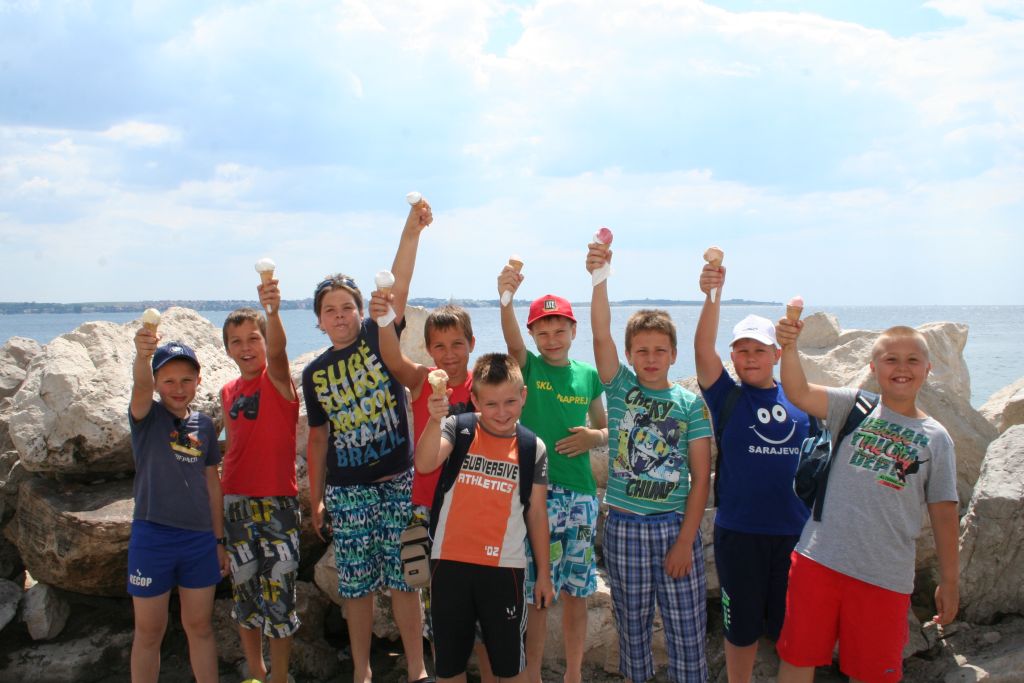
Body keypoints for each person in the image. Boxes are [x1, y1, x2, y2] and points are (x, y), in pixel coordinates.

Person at [774, 321, 960, 683]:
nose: (902, 368)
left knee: (873, 674)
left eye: (912, 360)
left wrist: (950, 581)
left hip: (884, 577)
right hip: (818, 561)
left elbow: (944, 513)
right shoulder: (853, 406)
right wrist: (791, 346)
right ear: (874, 367)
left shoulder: (937, 439)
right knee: (798, 658)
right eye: (891, 359)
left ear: (928, 368)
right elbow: (798, 392)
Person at [302, 198, 433, 683]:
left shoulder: (379, 338)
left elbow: (398, 286)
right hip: (348, 491)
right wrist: (317, 499)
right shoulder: (314, 374)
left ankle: (417, 670)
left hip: (398, 482)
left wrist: (411, 230)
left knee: (406, 580)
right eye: (329, 311)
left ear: (361, 311)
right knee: (356, 589)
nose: (339, 316)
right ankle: (361, 672)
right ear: (319, 321)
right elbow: (318, 440)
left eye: (347, 308)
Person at [586, 241, 712, 683]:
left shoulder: (690, 405)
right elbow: (600, 334)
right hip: (623, 527)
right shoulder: (620, 387)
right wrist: (600, 278)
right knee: (632, 631)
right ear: (629, 356)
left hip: (674, 527)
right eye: (642, 351)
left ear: (674, 354)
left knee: (687, 631)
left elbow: (701, 479)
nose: (651, 358)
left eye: (660, 350)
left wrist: (685, 541)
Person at [693, 265, 811, 683]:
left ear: (777, 355)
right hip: (739, 534)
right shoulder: (727, 397)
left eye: (759, 350)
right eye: (742, 351)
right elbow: (702, 349)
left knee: (793, 633)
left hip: (796, 537)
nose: (750, 358)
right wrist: (712, 294)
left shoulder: (801, 399)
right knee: (740, 630)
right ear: (733, 358)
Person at [370, 300, 497, 681]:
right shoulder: (422, 381)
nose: (449, 354)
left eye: (457, 344)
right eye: (439, 346)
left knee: (484, 617)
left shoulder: (483, 385)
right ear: (428, 349)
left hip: (475, 510)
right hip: (426, 508)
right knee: (441, 615)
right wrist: (384, 317)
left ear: (472, 344)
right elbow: (391, 357)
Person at [414, 352, 555, 683]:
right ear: (475, 400)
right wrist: (434, 419)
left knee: (510, 667)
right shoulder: (458, 428)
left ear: (523, 396)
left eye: (510, 401)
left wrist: (544, 574)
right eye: (491, 404)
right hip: (449, 564)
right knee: (449, 667)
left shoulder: (532, 447)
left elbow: (537, 514)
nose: (502, 412)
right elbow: (425, 463)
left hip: (505, 569)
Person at [495, 268, 607, 683]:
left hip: (581, 496)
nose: (552, 339)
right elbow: (512, 343)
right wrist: (506, 299)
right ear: (534, 336)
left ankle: (573, 674)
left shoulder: (588, 375)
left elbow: (605, 426)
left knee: (577, 592)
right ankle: (533, 675)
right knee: (537, 595)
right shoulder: (530, 369)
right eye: (542, 333)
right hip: (537, 497)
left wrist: (594, 436)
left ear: (573, 331)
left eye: (560, 330)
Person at [127, 334, 228, 683]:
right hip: (152, 537)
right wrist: (143, 356)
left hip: (199, 540)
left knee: (200, 626)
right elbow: (140, 387)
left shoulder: (204, 425)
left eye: (186, 379)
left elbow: (212, 483)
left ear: (199, 380)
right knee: (149, 631)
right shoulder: (146, 417)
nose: (178, 388)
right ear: (156, 383)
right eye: (168, 380)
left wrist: (219, 540)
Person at [219, 272, 300, 683]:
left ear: (266, 342)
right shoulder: (228, 391)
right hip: (236, 502)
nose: (245, 347)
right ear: (227, 349)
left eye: (253, 338)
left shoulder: (278, 380)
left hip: (277, 503)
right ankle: (256, 671)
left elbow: (281, 352)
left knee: (279, 595)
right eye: (236, 341)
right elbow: (231, 447)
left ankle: (280, 676)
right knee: (245, 593)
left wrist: (273, 311)